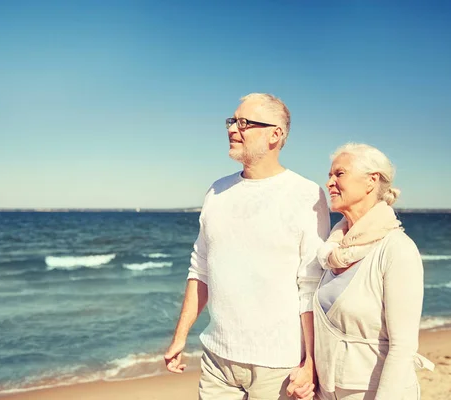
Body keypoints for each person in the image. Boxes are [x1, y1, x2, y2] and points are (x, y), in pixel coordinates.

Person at [164, 93, 330, 400]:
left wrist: (311, 363)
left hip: (278, 365)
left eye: (244, 123)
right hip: (217, 358)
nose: (232, 129)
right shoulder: (217, 190)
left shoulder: (306, 194)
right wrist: (180, 337)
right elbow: (200, 268)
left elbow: (311, 285)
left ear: (275, 134)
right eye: (231, 121)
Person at [314, 143, 434, 400]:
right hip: (327, 392)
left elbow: (403, 347)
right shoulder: (331, 249)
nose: (329, 183)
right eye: (329, 175)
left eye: (339, 174)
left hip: (372, 392)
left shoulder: (397, 249)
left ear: (371, 180)